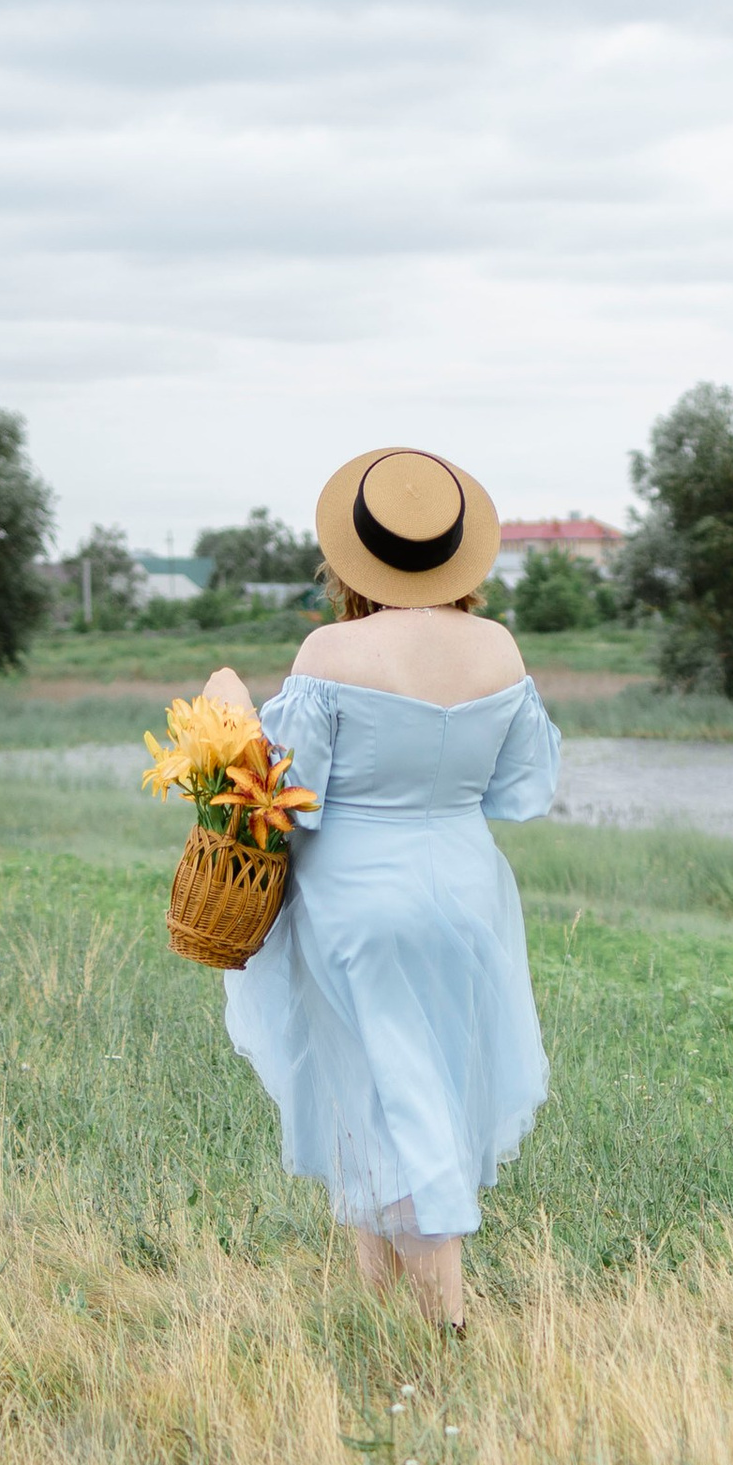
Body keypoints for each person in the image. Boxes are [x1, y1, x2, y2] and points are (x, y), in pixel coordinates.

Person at [203, 447, 561, 1331]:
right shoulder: (500, 649)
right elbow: (522, 792)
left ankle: (447, 1325)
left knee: (393, 1090)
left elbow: (293, 795)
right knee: (400, 1083)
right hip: (468, 892)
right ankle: (377, 1312)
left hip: (358, 896)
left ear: (352, 557)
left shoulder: (331, 648)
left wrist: (229, 717)